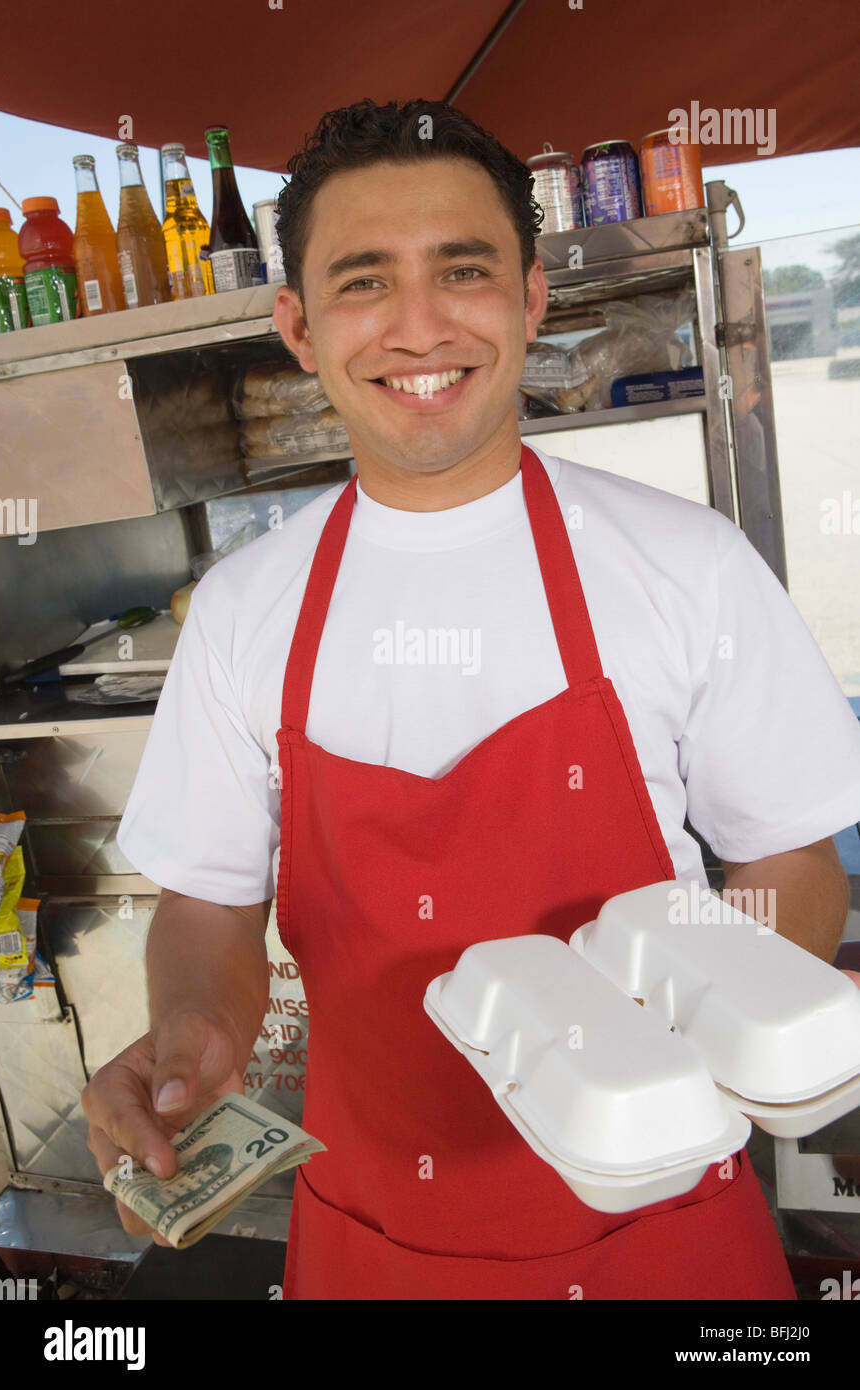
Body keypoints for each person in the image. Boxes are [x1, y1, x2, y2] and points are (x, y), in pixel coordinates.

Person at [82, 97, 860, 1300]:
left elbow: (791, 863)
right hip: (371, 1236)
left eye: (462, 269)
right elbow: (210, 906)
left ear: (533, 296)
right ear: (295, 323)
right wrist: (194, 1038)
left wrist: (731, 1011)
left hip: (659, 1222)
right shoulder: (243, 611)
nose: (418, 324)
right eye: (361, 281)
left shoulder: (684, 563)